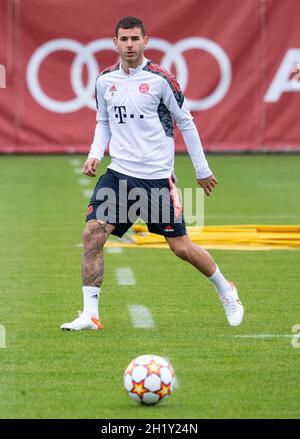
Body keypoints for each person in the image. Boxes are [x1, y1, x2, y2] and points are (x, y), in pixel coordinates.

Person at [60, 16, 244, 331]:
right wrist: (94, 155)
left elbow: (186, 122)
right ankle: (90, 314)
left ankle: (226, 289)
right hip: (117, 176)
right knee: (92, 234)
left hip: (157, 181)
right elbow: (103, 121)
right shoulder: (105, 81)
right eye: (124, 39)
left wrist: (202, 170)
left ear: (146, 41)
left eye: (135, 39)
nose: (129, 45)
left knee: (181, 248)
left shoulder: (161, 80)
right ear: (114, 42)